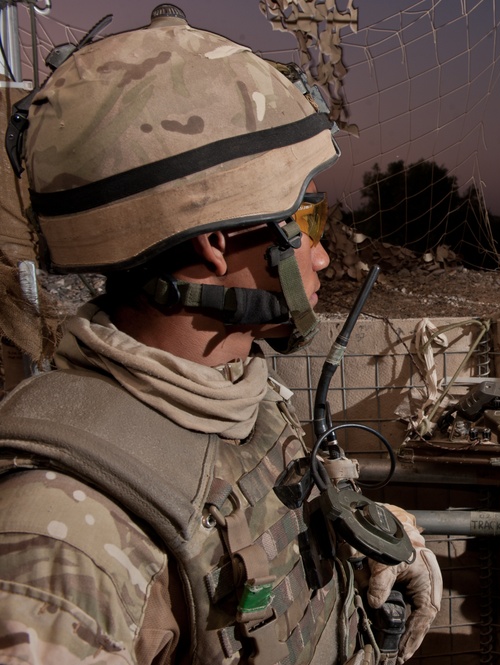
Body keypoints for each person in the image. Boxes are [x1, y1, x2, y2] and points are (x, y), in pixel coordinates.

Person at [0, 5, 441, 664]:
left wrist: (373, 538)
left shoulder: (235, 387)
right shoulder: (63, 547)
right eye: (309, 221)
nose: (323, 256)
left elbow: (254, 521)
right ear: (214, 244)